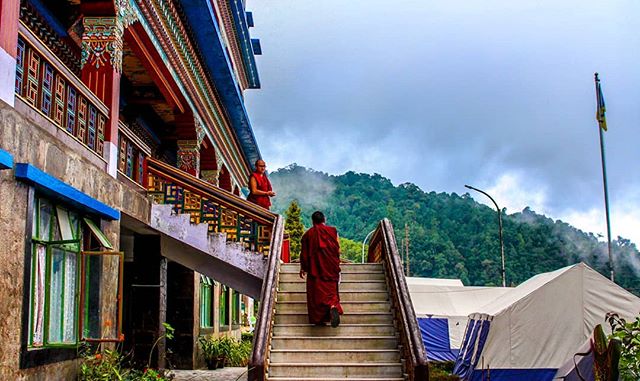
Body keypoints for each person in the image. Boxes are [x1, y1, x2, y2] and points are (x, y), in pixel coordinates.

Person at [299, 211, 343, 328]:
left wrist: (303, 268)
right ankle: (333, 306)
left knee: (316, 294)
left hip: (316, 270)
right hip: (331, 268)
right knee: (331, 292)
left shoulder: (308, 235)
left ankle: (319, 320)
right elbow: (338, 249)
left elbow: (304, 254)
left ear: (312, 221)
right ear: (324, 220)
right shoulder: (333, 231)